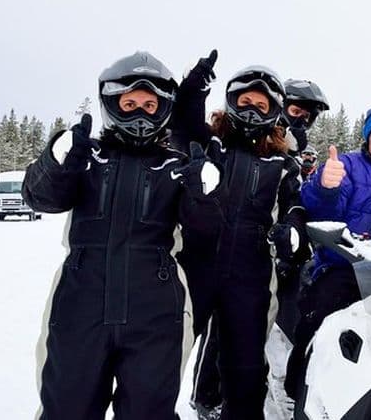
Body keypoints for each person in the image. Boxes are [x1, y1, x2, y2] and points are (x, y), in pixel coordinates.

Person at [24, 51, 224, 420]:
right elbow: (41, 198)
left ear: (163, 108)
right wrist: (56, 164)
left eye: (149, 105)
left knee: (149, 411)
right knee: (66, 407)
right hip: (80, 301)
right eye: (129, 103)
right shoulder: (88, 156)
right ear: (111, 105)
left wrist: (204, 195)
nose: (139, 113)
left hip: (156, 306)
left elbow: (205, 233)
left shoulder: (177, 167)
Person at [176, 58, 309, 419]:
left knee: (246, 371)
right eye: (245, 102)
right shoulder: (209, 142)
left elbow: (295, 207)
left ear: (274, 112)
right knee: (160, 359)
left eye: (261, 105)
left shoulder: (283, 163)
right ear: (231, 103)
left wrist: (292, 233)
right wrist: (192, 89)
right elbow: (181, 123)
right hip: (196, 265)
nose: (252, 111)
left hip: (250, 273)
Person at [285, 103, 371, 399]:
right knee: (321, 320)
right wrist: (325, 186)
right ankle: (299, 390)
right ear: (368, 133)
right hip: (346, 265)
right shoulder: (349, 165)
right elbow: (320, 209)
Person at [280, 78, 330, 155]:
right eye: (296, 112)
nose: (300, 120)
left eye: (306, 116)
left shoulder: (297, 155)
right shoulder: (260, 142)